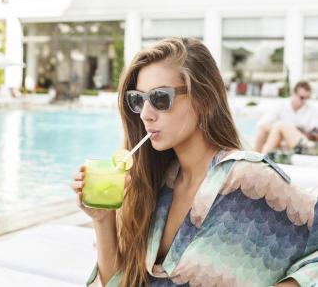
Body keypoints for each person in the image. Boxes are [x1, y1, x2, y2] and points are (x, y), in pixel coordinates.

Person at [71, 37, 318, 287]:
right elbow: (121, 282)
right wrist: (102, 220)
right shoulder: (156, 184)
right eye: (138, 100)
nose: (146, 114)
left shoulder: (246, 180)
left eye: (159, 98)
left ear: (202, 99)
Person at [254, 80, 316, 152]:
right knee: (262, 132)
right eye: (302, 97)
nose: (304, 101)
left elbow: (315, 133)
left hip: (302, 141)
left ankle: (263, 158)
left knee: (281, 125)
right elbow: (260, 124)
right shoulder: (282, 105)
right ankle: (257, 157)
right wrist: (281, 132)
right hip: (283, 140)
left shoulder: (312, 110)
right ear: (293, 94)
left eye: (307, 98)